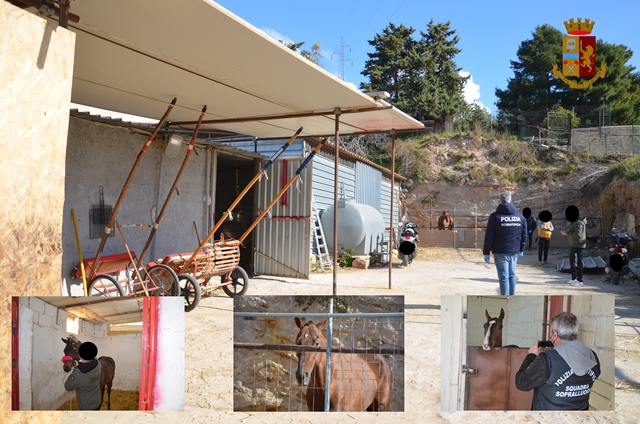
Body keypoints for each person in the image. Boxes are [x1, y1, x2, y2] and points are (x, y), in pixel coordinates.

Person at [515, 312, 601, 410]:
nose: (550, 338)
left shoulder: (547, 360)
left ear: (555, 335)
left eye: (551, 334)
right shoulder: (592, 356)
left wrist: (531, 355)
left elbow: (521, 383)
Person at [482, 191, 527, 296]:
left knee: (503, 276)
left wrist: (486, 252)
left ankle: (505, 298)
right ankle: (512, 296)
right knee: (512, 275)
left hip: (500, 251)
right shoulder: (520, 216)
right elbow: (524, 235)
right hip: (514, 251)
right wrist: (521, 249)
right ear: (511, 201)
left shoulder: (495, 216)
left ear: (499, 202)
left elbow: (489, 235)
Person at [64, 339, 102, 410]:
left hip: (86, 408)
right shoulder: (97, 364)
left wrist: (74, 372)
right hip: (97, 403)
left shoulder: (79, 373)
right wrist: (77, 341)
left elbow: (67, 386)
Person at [560, 205, 586, 287]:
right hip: (573, 245)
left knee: (578, 263)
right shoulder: (575, 222)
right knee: (573, 262)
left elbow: (578, 234)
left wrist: (566, 233)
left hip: (578, 245)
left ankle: (580, 280)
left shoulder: (579, 223)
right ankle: (574, 278)